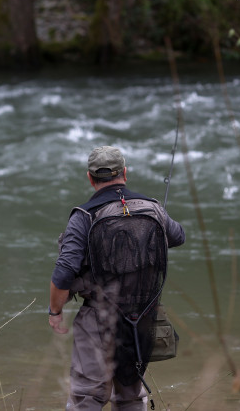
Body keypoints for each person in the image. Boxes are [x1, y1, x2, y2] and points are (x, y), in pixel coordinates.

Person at [48, 146, 185, 411]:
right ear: (125, 172)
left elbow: (64, 272)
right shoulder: (154, 208)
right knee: (132, 395)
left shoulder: (84, 216)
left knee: (87, 397)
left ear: (90, 178)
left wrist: (55, 311)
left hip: (98, 319)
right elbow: (178, 236)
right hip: (143, 317)